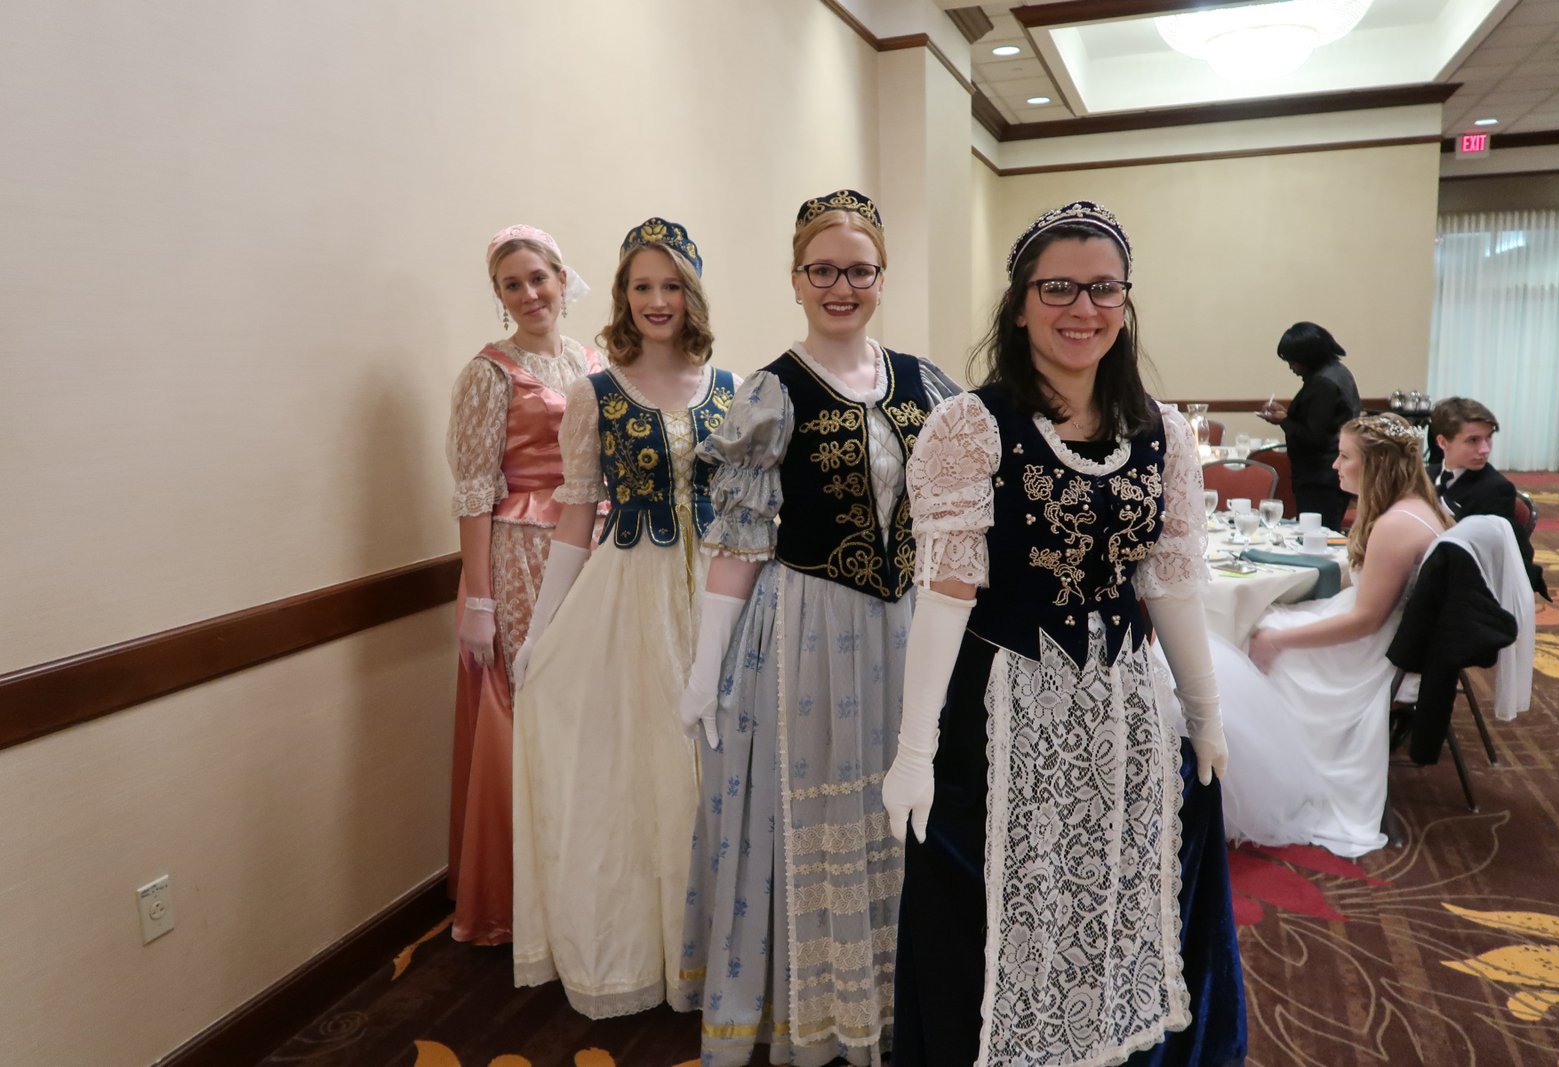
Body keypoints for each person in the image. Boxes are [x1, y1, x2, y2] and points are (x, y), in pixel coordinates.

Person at [884, 201, 1246, 1066]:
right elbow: (946, 596)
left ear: (1125, 302)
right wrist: (914, 748)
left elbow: (1170, 583)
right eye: (1059, 289)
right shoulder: (971, 426)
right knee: (991, 921)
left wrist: (1204, 713)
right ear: (1020, 304)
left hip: (1124, 709)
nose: (1083, 309)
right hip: (999, 715)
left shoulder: (1162, 432)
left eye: (1103, 289)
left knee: (1116, 898)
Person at [671, 190, 960, 1067]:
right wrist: (705, 667)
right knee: (822, 804)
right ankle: (824, 1007)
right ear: (796, 279)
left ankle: (900, 994)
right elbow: (740, 543)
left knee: (906, 806)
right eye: (823, 270)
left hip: (910, 627)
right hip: (808, 630)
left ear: (882, 277)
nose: (842, 286)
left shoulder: (926, 383)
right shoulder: (772, 391)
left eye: (859, 270)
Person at [507, 219, 736, 1015]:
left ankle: (724, 951)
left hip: (721, 593)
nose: (657, 300)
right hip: (632, 596)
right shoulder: (595, 395)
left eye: (671, 285)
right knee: (644, 770)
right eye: (642, 286)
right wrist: (541, 629)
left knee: (719, 768)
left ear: (692, 293)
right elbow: (576, 516)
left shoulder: (733, 388)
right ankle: (650, 950)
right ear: (623, 295)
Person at [444, 224, 601, 945]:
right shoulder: (488, 375)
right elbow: (474, 491)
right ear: (499, 296)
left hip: (593, 547)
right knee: (528, 705)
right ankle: (521, 902)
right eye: (513, 284)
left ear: (563, 280)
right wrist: (479, 601)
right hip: (519, 557)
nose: (530, 293)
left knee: (584, 709)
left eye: (539, 277)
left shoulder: (592, 361)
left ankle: (584, 887)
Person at [1212, 412, 1451, 857]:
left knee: (1247, 640)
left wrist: (1278, 641)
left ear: (1376, 465)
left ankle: (1264, 783)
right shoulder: (1418, 506)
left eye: (1345, 457)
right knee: (1264, 619)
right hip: (1388, 634)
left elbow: (1365, 621)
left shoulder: (1395, 524)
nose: (1335, 466)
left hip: (1371, 651)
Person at [1428, 396, 1548, 599]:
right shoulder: (1425, 476)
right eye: (1473, 440)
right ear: (1442, 442)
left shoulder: (1495, 489)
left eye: (1488, 438)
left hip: (1462, 587)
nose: (1484, 449)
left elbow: (1484, 558)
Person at [1258, 322, 1361, 527]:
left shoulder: (1323, 384)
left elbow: (1313, 437)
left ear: (1307, 357)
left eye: (1292, 361)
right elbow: (1319, 421)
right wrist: (1288, 415)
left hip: (1320, 478)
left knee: (1315, 534)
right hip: (1331, 474)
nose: (1291, 367)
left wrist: (1284, 420)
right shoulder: (1338, 372)